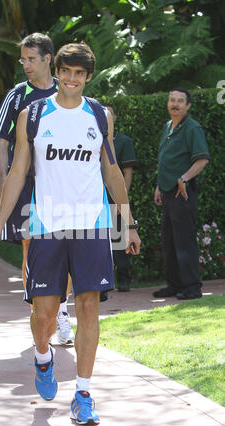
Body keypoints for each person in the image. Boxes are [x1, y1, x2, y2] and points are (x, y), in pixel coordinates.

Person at [0, 42, 140, 425]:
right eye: (66, 71)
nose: (71, 79)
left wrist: (127, 224)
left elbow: (112, 171)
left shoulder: (100, 115)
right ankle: (42, 356)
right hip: (47, 224)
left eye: (79, 74)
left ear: (87, 77)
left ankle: (83, 392)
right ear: (58, 71)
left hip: (92, 224)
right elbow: (18, 172)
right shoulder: (33, 114)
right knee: (44, 314)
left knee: (88, 306)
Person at [0, 32, 74, 345]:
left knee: (63, 246)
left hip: (59, 184)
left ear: (48, 58)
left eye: (31, 58)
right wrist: (2, 181)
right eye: (22, 59)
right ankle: (39, 312)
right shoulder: (17, 96)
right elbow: (1, 142)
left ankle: (61, 313)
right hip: (25, 185)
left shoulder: (65, 91)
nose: (25, 64)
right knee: (31, 246)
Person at [153, 88, 210, 300]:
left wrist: (184, 178)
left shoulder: (192, 128)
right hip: (167, 192)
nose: (175, 104)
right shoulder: (168, 126)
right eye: (172, 100)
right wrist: (159, 186)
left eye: (180, 101)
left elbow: (202, 159)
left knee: (185, 241)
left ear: (188, 106)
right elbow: (166, 159)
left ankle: (192, 287)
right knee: (169, 240)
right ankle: (175, 284)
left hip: (182, 194)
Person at [106, 104, 137, 293]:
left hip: (116, 200)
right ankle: (103, 284)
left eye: (110, 114)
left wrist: (120, 199)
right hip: (95, 199)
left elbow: (127, 172)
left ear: (115, 117)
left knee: (120, 243)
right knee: (98, 243)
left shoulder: (124, 142)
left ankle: (124, 281)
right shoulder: (92, 139)